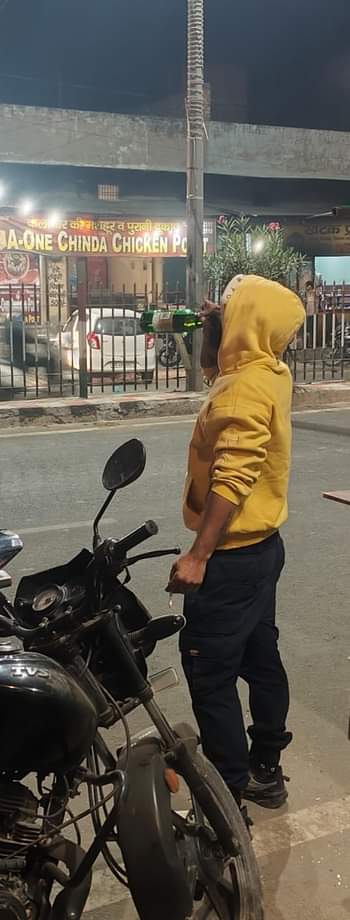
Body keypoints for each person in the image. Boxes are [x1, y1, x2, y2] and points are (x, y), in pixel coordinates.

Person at [167, 274, 306, 809]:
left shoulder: (245, 386)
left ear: (247, 320)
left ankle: (228, 794)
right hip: (263, 550)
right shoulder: (268, 371)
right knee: (259, 655)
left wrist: (198, 555)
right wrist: (214, 327)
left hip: (229, 559)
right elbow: (214, 369)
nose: (222, 310)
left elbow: (234, 475)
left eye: (231, 305)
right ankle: (266, 765)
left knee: (208, 671)